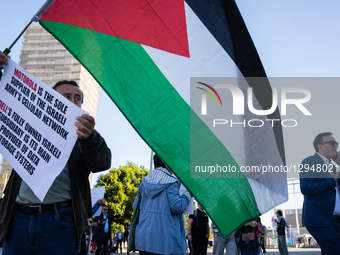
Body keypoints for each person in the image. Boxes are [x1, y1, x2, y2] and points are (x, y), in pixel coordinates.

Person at [0, 52, 112, 255]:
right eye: (66, 96)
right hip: (17, 221)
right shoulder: (28, 124)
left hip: (61, 222)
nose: (73, 101)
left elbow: (103, 162)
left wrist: (89, 138)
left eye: (78, 98)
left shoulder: (83, 135)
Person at [133, 154, 190, 255]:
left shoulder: (144, 182)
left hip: (144, 240)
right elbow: (177, 207)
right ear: (167, 165)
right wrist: (187, 195)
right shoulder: (171, 182)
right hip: (164, 241)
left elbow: (135, 207)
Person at [300, 132, 340, 255]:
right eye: (332, 143)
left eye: (336, 143)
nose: (335, 146)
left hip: (334, 220)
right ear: (320, 146)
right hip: (319, 219)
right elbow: (306, 188)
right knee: (335, 250)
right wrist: (331, 180)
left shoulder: (334, 167)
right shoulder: (309, 162)